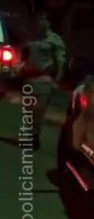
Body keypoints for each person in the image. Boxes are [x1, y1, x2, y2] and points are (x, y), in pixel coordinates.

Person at [23, 12, 66, 150]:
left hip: (44, 79)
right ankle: (30, 136)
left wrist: (57, 79)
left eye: (43, 20)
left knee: (38, 111)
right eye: (38, 20)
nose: (40, 23)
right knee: (29, 111)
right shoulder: (31, 38)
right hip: (30, 79)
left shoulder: (54, 40)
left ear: (48, 22)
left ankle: (34, 138)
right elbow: (25, 56)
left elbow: (60, 61)